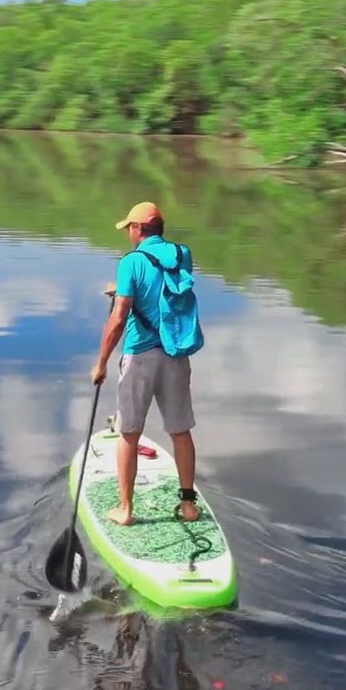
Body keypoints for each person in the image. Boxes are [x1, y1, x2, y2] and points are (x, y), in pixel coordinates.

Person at [91, 201, 200, 527]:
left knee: (129, 434)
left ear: (138, 229)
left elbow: (119, 318)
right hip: (176, 354)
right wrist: (123, 290)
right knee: (181, 431)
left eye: (129, 227)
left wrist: (101, 363)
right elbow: (162, 289)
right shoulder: (183, 255)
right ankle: (189, 506)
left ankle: (125, 509)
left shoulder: (130, 262)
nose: (128, 232)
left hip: (140, 355)